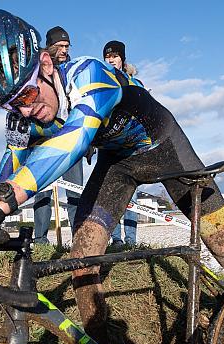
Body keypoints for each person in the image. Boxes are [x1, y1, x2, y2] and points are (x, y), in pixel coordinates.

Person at [0, 11, 224, 344]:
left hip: (165, 149)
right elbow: (7, 173)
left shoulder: (88, 73)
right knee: (82, 262)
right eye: (12, 107)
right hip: (119, 165)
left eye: (25, 95)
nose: (24, 111)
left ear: (44, 64)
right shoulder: (23, 120)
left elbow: (75, 139)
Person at [21, 26, 84, 244]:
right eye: (60, 46)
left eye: (67, 46)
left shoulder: (73, 70)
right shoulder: (37, 70)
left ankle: (78, 238)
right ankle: (40, 239)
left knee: (76, 192)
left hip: (72, 137)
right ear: (50, 48)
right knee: (42, 191)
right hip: (44, 140)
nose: (65, 50)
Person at [103, 41, 140, 246]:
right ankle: (116, 239)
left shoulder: (133, 82)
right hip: (109, 146)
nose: (111, 59)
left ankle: (131, 240)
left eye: (115, 56)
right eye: (107, 56)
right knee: (112, 197)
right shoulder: (102, 82)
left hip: (131, 146)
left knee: (130, 198)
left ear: (122, 58)